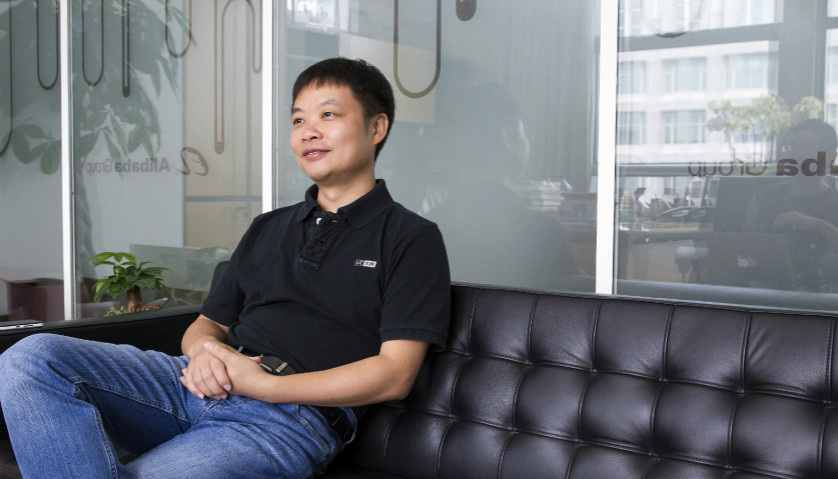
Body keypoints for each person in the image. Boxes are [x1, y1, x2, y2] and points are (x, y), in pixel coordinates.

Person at [0, 57, 451, 479]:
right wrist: (204, 355)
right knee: (32, 359)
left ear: (376, 127)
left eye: (328, 115)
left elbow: (395, 374)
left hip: (286, 419)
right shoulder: (268, 227)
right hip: (193, 386)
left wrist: (265, 387)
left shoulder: (411, 237)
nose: (308, 132)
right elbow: (207, 324)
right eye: (298, 120)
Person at [421, 81, 586, 291]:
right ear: (507, 138)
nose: (527, 143)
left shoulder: (431, 225)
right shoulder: (540, 231)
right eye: (523, 132)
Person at [743, 118, 838, 293]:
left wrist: (818, 225)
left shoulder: (836, 198)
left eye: (807, 146)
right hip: (770, 294)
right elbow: (743, 252)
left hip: (828, 298)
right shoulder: (764, 198)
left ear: (831, 156)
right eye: (792, 146)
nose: (797, 154)